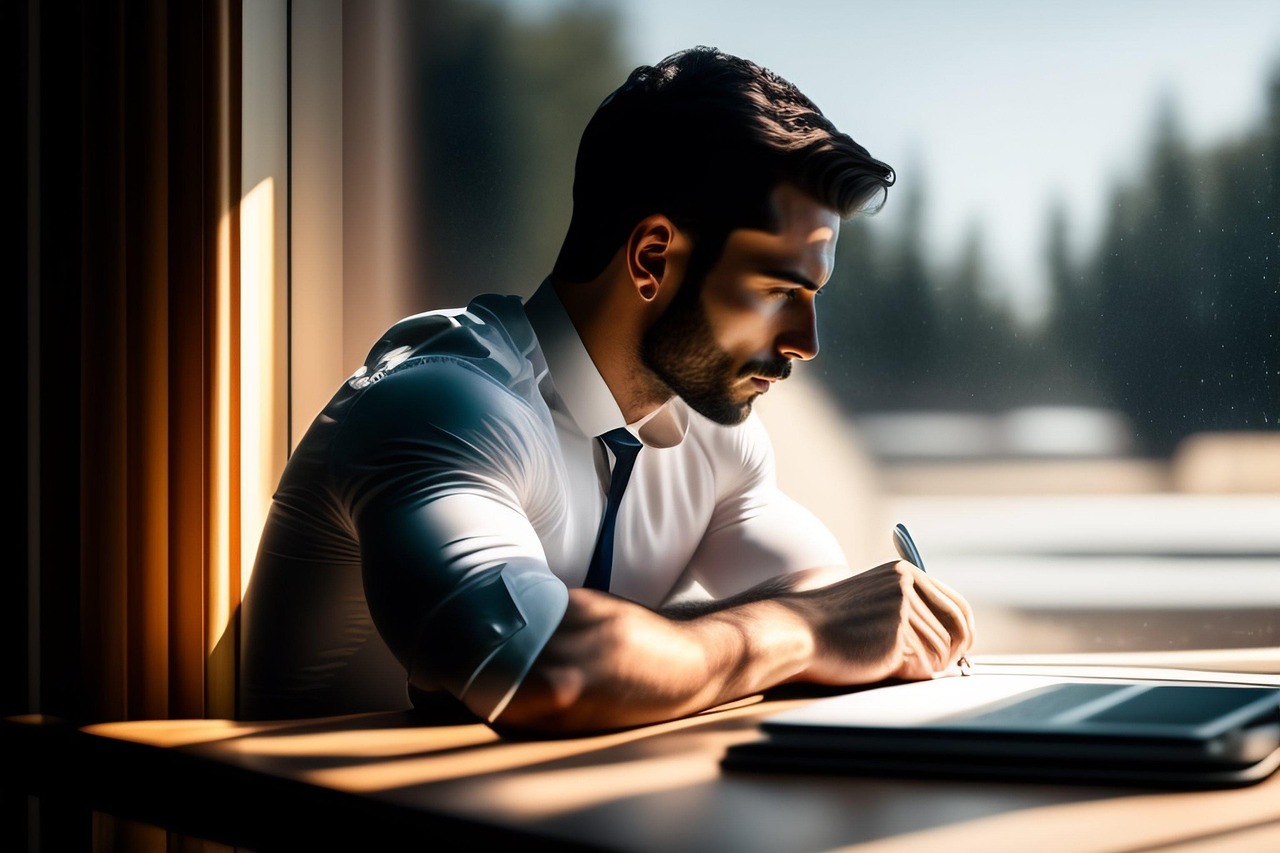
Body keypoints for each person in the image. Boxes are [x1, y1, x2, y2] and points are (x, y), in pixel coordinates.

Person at [240, 45, 976, 732]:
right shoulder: (440, 408)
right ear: (653, 257)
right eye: (777, 291)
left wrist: (823, 625)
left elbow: (832, 604)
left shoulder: (714, 437)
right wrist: (805, 629)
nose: (804, 343)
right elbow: (553, 670)